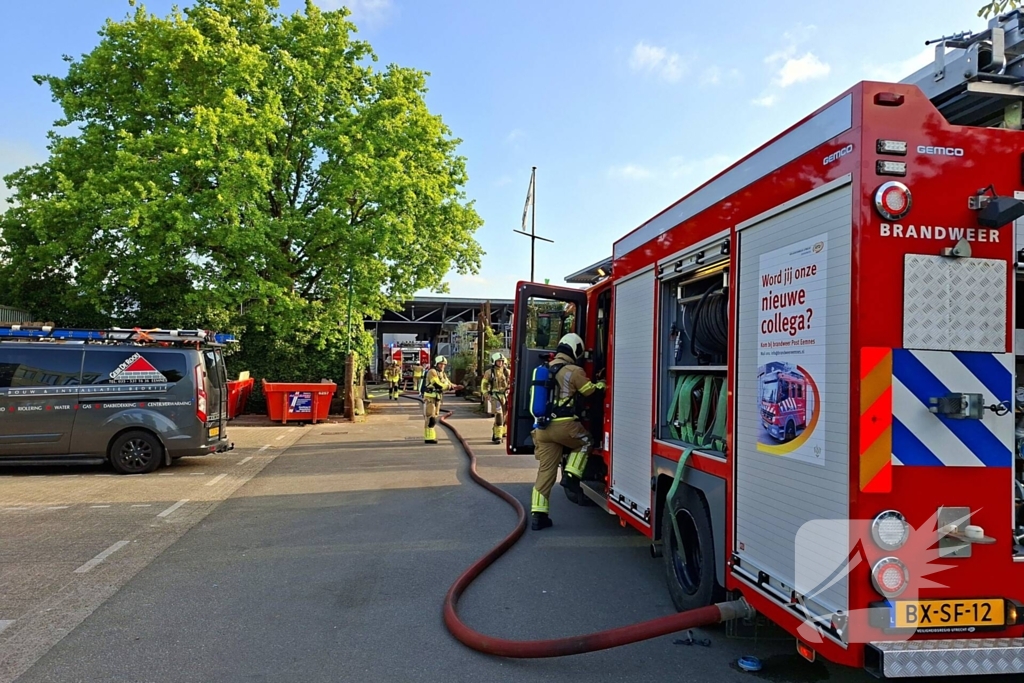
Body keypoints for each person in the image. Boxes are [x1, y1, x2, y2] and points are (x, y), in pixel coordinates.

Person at [530, 332, 605, 530]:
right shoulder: (573, 370)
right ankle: (571, 477)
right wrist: (602, 384)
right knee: (586, 441)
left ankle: (538, 516)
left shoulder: (545, 368)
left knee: (545, 471)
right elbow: (589, 391)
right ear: (576, 350)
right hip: (564, 426)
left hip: (542, 429)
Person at [422, 355, 462, 444]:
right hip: (430, 398)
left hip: (438, 398)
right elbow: (437, 384)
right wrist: (451, 387)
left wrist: (456, 386)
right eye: (440, 364)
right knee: (430, 418)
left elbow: (448, 382)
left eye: (444, 364)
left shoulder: (442, 373)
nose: (442, 366)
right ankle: (428, 437)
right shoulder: (432, 372)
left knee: (435, 417)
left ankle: (431, 436)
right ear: (436, 364)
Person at [481, 352, 510, 444]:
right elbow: (484, 385)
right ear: (494, 362)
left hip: (505, 396)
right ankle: (498, 436)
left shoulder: (507, 372)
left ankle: (500, 432)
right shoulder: (489, 372)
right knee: (499, 414)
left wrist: (509, 390)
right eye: (498, 361)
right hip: (495, 396)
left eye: (501, 361)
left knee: (505, 415)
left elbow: (512, 383)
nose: (500, 363)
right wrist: (486, 395)